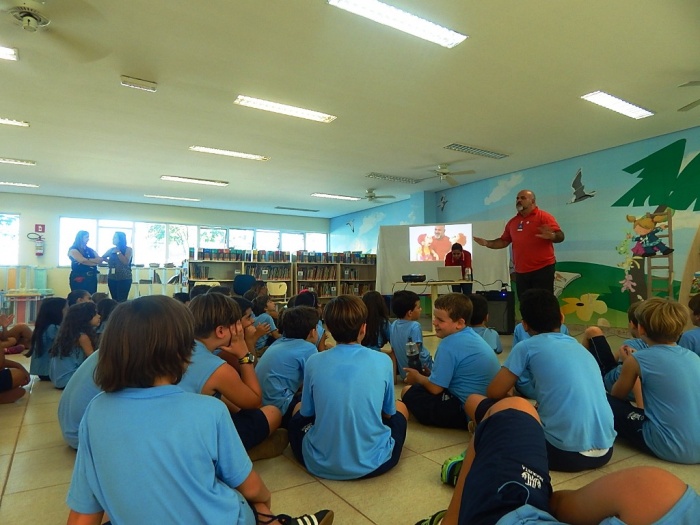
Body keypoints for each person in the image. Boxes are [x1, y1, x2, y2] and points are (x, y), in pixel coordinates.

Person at [65, 296, 334, 525]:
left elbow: (83, 513)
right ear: (181, 350)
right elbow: (254, 488)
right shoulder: (209, 410)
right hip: (220, 514)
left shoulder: (96, 410)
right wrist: (263, 499)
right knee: (254, 502)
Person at [415, 396, 700, 525]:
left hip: (549, 470)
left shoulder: (661, 493)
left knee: (510, 405)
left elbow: (559, 504)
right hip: (606, 451)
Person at [485, 289, 616, 472]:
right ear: (561, 318)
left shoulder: (526, 347)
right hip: (606, 451)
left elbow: (494, 392)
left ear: (524, 325)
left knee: (483, 405)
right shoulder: (577, 347)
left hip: (564, 454)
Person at [288, 295, 408, 480]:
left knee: (297, 412)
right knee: (401, 408)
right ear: (363, 328)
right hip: (375, 463)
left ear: (327, 328)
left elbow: (307, 413)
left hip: (319, 462)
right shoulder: (383, 361)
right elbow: (388, 413)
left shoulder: (314, 361)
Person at [185, 293, 286, 459]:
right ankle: (239, 455)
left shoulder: (180, 349)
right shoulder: (217, 368)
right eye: (237, 323)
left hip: (178, 430)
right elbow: (254, 401)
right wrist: (243, 353)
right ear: (221, 330)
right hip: (198, 443)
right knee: (273, 413)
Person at [606, 297, 700, 464]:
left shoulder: (638, 359)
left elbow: (617, 396)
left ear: (641, 328)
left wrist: (626, 363)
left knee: (605, 400)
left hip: (671, 447)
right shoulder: (694, 357)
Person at [402, 293, 500, 429]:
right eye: (435, 317)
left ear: (459, 323)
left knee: (407, 391)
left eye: (440, 320)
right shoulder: (470, 335)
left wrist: (417, 377)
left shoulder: (448, 344)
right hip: (483, 405)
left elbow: (435, 389)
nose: (434, 322)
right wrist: (431, 376)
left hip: (464, 409)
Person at [474, 189, 564, 299]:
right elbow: (504, 241)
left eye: (523, 198)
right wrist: (487, 243)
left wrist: (553, 236)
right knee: (524, 302)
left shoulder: (543, 217)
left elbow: (560, 236)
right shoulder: (513, 222)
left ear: (533, 201)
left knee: (543, 303)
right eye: (517, 198)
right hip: (521, 271)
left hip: (542, 268)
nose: (519, 200)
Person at [255, 306, 319, 429]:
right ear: (312, 332)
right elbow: (315, 384)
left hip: (262, 407)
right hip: (280, 408)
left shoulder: (279, 342)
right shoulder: (308, 348)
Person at [582, 301, 647, 406]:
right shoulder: (664, 346)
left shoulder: (631, 345)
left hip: (612, 383)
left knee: (593, 331)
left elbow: (634, 378)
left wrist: (641, 408)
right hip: (645, 392)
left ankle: (582, 377)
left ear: (632, 324)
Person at [49, 302, 100, 389]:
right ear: (85, 317)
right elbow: (93, 358)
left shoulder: (68, 333)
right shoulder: (82, 337)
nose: (99, 316)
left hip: (58, 379)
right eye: (95, 314)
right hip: (69, 380)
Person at [389, 290, 433, 381]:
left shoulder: (393, 325)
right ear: (410, 313)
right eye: (418, 307)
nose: (421, 309)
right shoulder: (415, 326)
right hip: (420, 372)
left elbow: (393, 351)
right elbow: (415, 355)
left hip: (404, 373)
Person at [27, 297, 66, 380]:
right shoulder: (52, 328)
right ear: (57, 312)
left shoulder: (44, 326)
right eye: (66, 309)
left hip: (43, 371)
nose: (68, 311)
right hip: (48, 372)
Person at [101, 231, 133, 302]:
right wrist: (109, 261)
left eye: (115, 237)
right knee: (114, 300)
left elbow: (125, 262)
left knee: (122, 299)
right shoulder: (111, 250)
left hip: (124, 278)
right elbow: (102, 257)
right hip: (112, 278)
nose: (113, 239)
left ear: (120, 239)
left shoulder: (128, 249)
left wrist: (118, 252)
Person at [67, 230, 102, 294]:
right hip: (79, 277)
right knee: (79, 295)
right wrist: (93, 261)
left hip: (91, 277)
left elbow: (99, 260)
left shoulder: (90, 250)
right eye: (86, 237)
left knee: (91, 295)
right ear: (80, 238)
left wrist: (87, 260)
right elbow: (82, 260)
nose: (88, 239)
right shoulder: (73, 249)